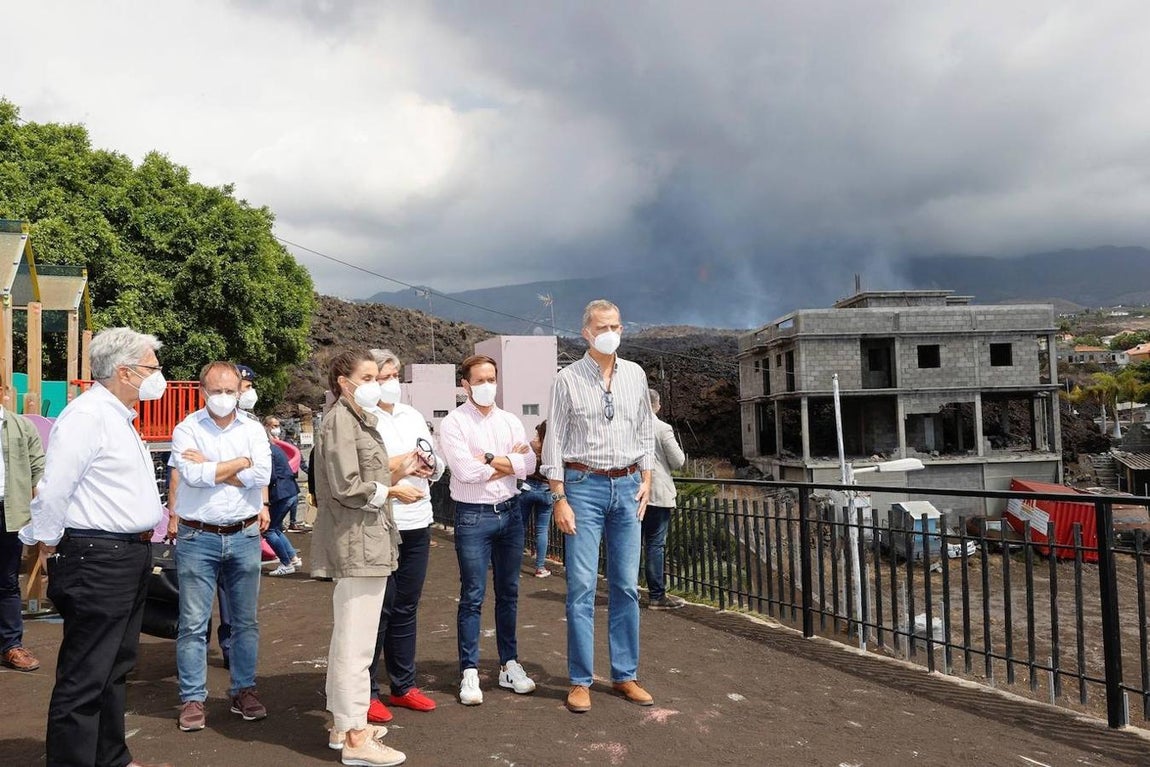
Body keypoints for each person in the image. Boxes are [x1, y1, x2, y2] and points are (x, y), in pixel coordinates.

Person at [19, 326, 173, 767]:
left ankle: (110, 757)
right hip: (97, 556)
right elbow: (54, 489)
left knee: (116, 665)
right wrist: (46, 541)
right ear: (124, 371)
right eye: (151, 368)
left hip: (127, 554)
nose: (158, 376)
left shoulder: (118, 416)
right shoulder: (87, 416)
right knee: (86, 673)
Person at [542, 299, 655, 714]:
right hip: (583, 487)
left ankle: (625, 675)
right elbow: (554, 440)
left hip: (627, 487)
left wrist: (647, 478)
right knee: (582, 587)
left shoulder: (636, 374)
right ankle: (580, 680)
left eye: (616, 326)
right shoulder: (567, 379)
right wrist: (559, 498)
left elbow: (645, 429)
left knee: (625, 585)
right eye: (603, 327)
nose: (611, 333)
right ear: (586, 333)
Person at [312, 350, 417, 766]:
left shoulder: (355, 419)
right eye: (369, 377)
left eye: (380, 377)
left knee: (350, 639)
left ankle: (345, 725)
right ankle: (356, 737)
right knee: (356, 646)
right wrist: (393, 490)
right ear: (344, 381)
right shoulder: (342, 420)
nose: (378, 384)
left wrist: (396, 478)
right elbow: (347, 485)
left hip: (367, 539)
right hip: (357, 541)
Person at [169, 362, 272, 733]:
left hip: (244, 534)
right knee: (193, 624)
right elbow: (192, 476)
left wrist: (214, 466)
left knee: (245, 622)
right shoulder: (186, 428)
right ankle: (192, 698)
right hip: (198, 536)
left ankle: (243, 689)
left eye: (231, 390)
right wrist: (241, 463)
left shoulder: (254, 428)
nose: (224, 397)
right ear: (202, 391)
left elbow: (262, 475)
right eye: (217, 390)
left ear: (240, 390)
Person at [438, 354, 537, 706]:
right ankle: (469, 669)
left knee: (509, 592)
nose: (487, 386)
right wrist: (509, 463)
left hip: (510, 514)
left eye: (491, 379)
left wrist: (490, 460)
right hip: (473, 516)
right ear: (465, 385)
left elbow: (530, 463)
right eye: (479, 380)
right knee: (473, 595)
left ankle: (509, 664)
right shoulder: (453, 423)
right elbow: (465, 472)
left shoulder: (510, 420)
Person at [364, 349, 444, 723]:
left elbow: (434, 460)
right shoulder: (364, 419)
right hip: (382, 523)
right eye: (382, 377)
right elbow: (367, 473)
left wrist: (430, 465)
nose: (390, 383)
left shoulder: (411, 415)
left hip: (418, 520)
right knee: (378, 609)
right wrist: (403, 465)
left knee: (406, 606)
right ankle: (366, 692)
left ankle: (403, 685)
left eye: (394, 375)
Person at [0, 374, 46, 671]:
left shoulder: (20, 426)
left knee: (6, 582)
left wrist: (44, 515)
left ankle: (11, 645)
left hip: (9, 511)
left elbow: (39, 469)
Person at [641, 389, 686, 610]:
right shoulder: (662, 428)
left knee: (630, 544)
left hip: (632, 491)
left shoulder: (630, 427)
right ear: (657, 405)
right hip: (657, 493)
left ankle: (626, 592)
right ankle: (657, 595)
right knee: (654, 544)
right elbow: (678, 460)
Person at [263, 416, 303, 576]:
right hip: (290, 491)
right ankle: (293, 558)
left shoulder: (267, 452)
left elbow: (270, 476)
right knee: (276, 528)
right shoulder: (275, 449)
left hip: (281, 494)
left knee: (268, 531)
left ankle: (286, 562)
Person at [519, 421, 553, 578]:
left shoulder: (531, 446)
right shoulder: (552, 450)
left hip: (527, 488)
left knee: (520, 527)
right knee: (542, 530)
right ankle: (540, 567)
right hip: (546, 490)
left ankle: (514, 565)